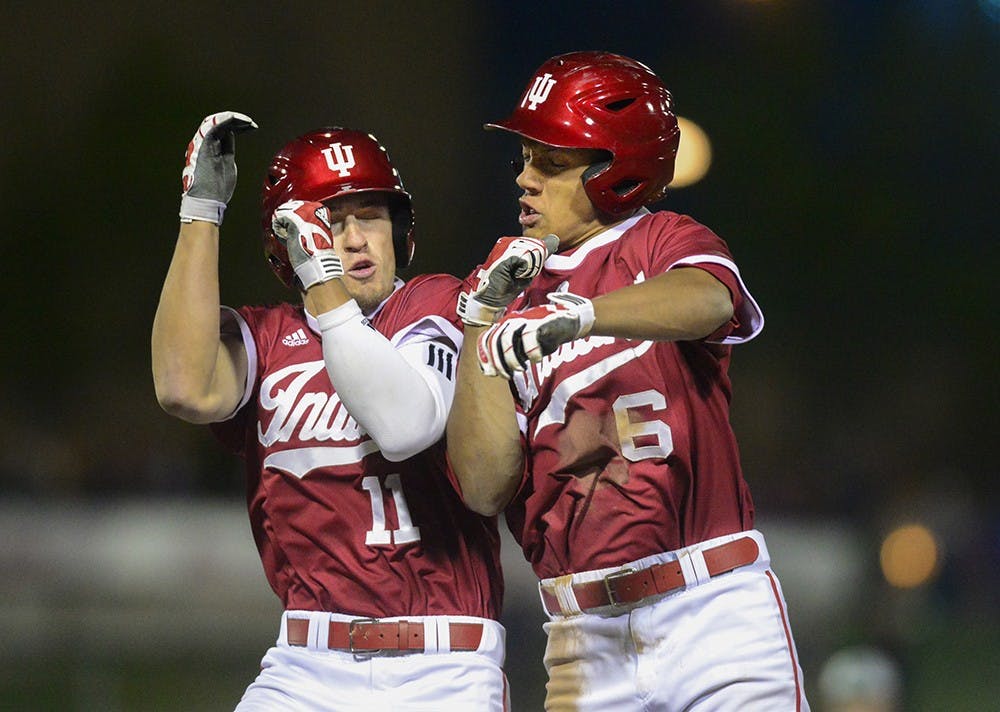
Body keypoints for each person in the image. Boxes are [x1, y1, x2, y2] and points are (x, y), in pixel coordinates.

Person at [447, 52, 809, 711]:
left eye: (550, 161)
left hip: (712, 611)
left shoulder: (659, 241)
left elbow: (710, 300)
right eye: (525, 158)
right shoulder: (499, 291)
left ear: (616, 170)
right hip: (583, 641)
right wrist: (481, 320)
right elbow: (481, 483)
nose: (525, 180)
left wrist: (583, 316)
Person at [152, 112, 507, 711]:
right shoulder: (269, 337)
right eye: (329, 221)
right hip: (302, 665)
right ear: (284, 242)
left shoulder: (438, 304)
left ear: (398, 228)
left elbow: (405, 426)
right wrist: (202, 212)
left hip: (442, 663)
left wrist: (323, 283)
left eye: (369, 215)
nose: (353, 237)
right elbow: (183, 387)